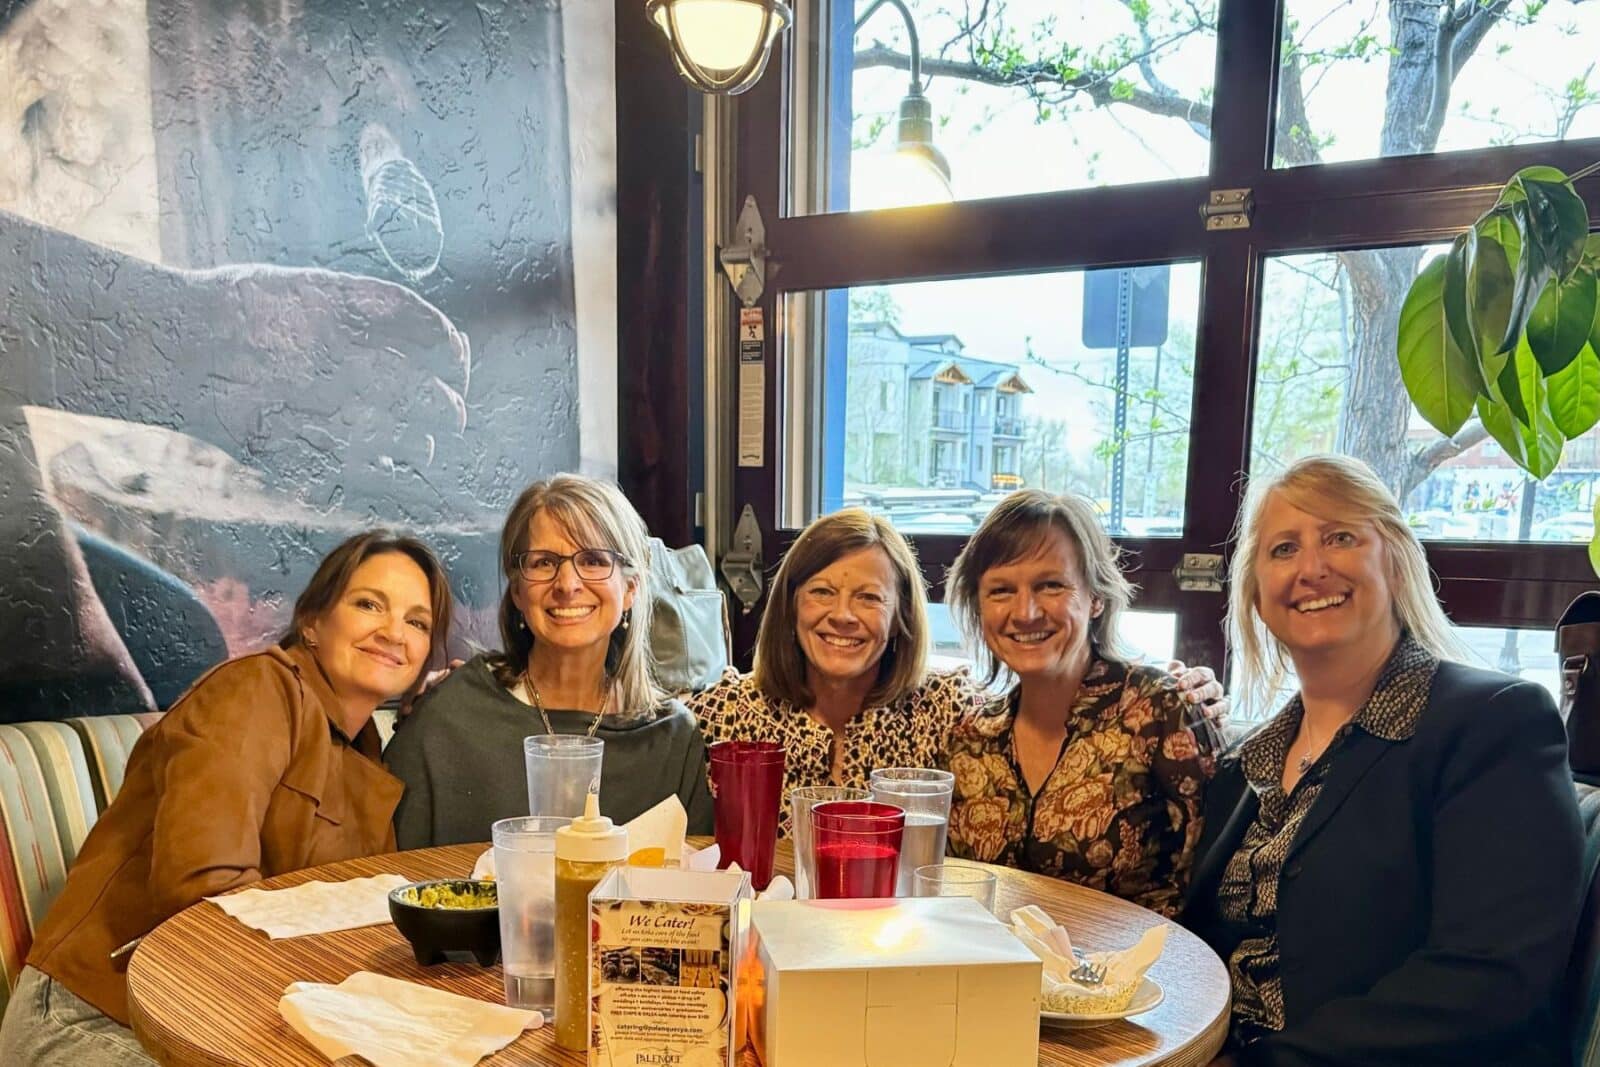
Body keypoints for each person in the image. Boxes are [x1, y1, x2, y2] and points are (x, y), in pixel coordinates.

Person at [1186, 454, 1583, 1066]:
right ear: (1259, 599)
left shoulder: (1495, 724)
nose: (1311, 568)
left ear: (1395, 563)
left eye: (1340, 537)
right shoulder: (1247, 765)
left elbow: (1489, 979)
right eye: (1283, 549)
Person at [0, 530, 452, 1066]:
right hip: (100, 1016)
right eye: (368, 604)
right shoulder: (257, 690)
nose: (393, 632)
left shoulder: (364, 751)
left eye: (417, 622)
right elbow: (201, 893)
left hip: (222, 1018)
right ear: (312, 621)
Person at [688, 507, 1224, 837]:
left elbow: (1046, 694)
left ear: (901, 616)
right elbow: (644, 726)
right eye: (822, 592)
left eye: (869, 597)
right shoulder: (726, 714)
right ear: (790, 606)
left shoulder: (946, 708)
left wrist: (1178, 691)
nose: (843, 616)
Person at [388, 475, 712, 845]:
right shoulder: (450, 716)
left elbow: (694, 891)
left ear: (630, 590)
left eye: (592, 560)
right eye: (543, 563)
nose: (567, 584)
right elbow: (385, 877)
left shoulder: (672, 739)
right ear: (518, 593)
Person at [941, 490, 1220, 917]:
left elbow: (1214, 884)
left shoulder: (1160, 711)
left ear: (1096, 597)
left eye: (1050, 585)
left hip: (1145, 978)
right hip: (997, 975)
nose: (1025, 611)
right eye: (1000, 590)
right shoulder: (969, 738)